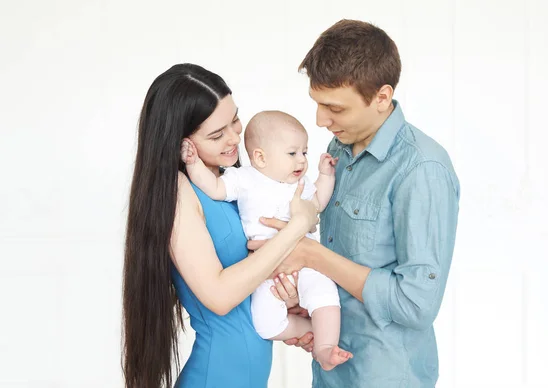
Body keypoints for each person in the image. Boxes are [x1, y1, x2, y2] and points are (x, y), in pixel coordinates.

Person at [249, 19, 461, 388]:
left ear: (381, 97)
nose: (319, 120)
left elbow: (416, 304)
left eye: (335, 108)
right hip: (331, 368)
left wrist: (309, 256)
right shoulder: (338, 151)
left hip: (386, 375)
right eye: (317, 104)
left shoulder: (422, 169)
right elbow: (346, 261)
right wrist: (303, 298)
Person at [122, 64, 319, 388]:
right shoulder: (178, 190)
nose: (233, 139)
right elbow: (219, 295)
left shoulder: (233, 184)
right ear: (180, 142)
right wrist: (298, 226)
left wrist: (288, 300)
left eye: (234, 121)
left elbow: (249, 281)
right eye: (216, 134)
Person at [180, 110, 352, 370]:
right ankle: (310, 329)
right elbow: (214, 188)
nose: (301, 161)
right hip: (266, 273)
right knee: (265, 324)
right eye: (292, 153)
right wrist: (193, 165)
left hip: (306, 264)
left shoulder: (302, 183)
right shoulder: (244, 179)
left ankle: (325, 347)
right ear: (260, 157)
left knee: (325, 295)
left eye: (304, 153)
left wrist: (326, 177)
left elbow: (317, 204)